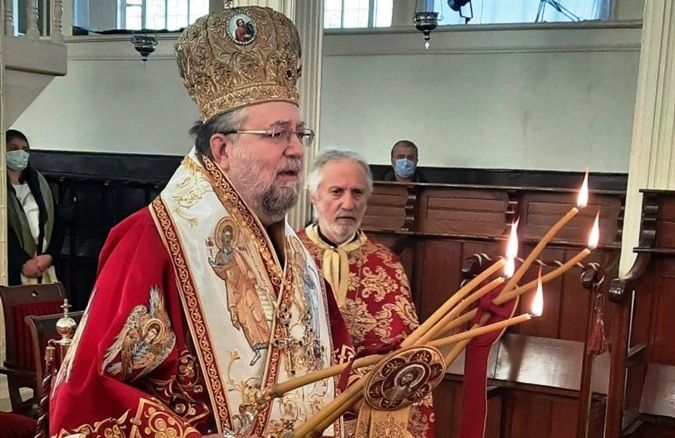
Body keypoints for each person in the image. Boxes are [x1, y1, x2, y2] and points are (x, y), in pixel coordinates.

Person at [49, 7, 349, 438]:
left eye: (300, 134)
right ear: (223, 149)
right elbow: (91, 397)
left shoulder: (296, 253)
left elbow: (335, 358)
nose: (297, 149)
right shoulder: (151, 241)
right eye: (277, 134)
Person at [297, 149, 436, 438]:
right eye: (336, 192)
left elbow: (406, 352)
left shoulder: (386, 263)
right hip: (299, 405)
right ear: (313, 196)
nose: (348, 203)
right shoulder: (287, 255)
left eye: (357, 193)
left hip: (364, 412)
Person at [6, 129, 63, 285]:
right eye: (13, 149)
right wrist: (23, 263)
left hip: (42, 263)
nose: (20, 153)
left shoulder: (38, 182)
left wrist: (50, 256)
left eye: (25, 149)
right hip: (12, 268)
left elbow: (56, 222)